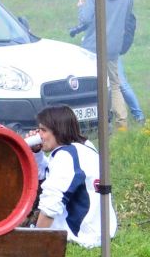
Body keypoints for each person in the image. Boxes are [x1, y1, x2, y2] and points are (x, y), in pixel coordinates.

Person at [32, 105, 118, 247]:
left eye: (43, 130)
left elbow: (50, 205)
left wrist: (34, 241)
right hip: (102, 229)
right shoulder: (85, 146)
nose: (38, 135)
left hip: (83, 235)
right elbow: (47, 174)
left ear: (58, 131)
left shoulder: (65, 156)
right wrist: (37, 153)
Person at [76, 0, 142, 125]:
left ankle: (96, 122)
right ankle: (122, 123)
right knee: (114, 85)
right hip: (113, 47)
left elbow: (85, 19)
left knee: (93, 85)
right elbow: (127, 19)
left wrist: (81, 7)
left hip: (92, 47)